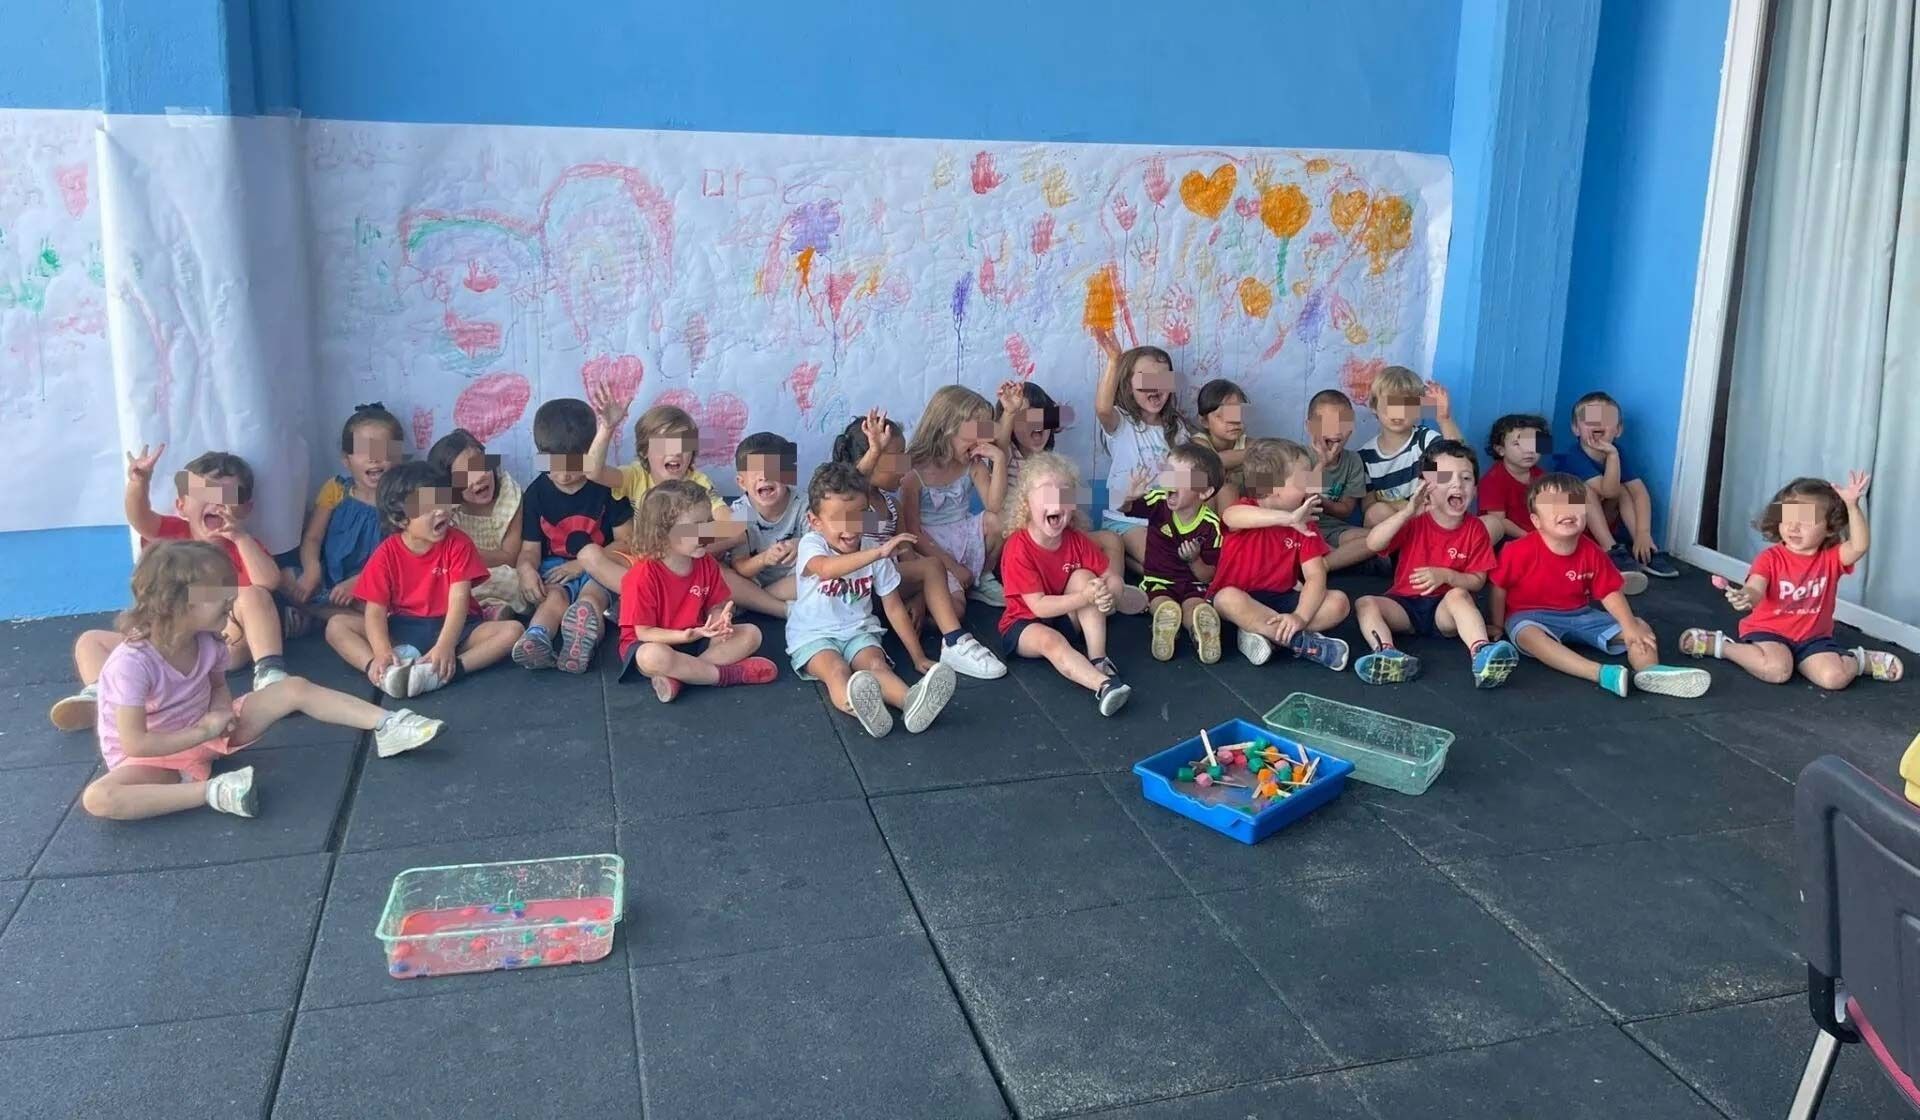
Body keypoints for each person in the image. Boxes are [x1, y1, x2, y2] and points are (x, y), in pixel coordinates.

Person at [80, 541, 442, 821]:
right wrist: (203, 731)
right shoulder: (132, 663)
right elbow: (136, 743)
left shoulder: (208, 640)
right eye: (218, 591)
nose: (231, 597)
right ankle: (212, 791)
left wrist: (222, 712)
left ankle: (388, 724)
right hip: (154, 759)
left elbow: (217, 686)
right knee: (98, 798)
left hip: (207, 733)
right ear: (175, 603)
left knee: (294, 688)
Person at [51, 448, 289, 732]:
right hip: (165, 645)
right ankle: (101, 692)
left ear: (246, 509)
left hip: (220, 645)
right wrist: (139, 482)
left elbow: (268, 582)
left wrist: (239, 537)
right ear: (181, 506)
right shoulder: (174, 536)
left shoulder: (242, 546)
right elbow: (140, 518)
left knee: (252, 594)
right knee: (90, 641)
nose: (217, 503)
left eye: (227, 496)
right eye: (205, 494)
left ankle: (269, 672)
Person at [1489, 473, 1709, 698]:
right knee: (1528, 636)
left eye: (1573, 503)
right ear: (1536, 521)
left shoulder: (1592, 551)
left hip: (1580, 614)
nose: (1566, 510)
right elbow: (1499, 588)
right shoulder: (1516, 551)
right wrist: (1497, 625)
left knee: (1639, 627)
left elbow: (1610, 592)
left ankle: (1650, 672)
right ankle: (1601, 673)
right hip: (1530, 616)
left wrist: (1629, 625)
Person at [582, 387, 791, 620]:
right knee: (589, 556)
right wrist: (607, 428)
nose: (675, 453)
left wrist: (682, 542)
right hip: (648, 566)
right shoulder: (635, 475)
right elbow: (592, 472)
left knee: (721, 573)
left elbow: (734, 529)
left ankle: (783, 611)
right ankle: (652, 598)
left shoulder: (698, 482)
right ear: (645, 451)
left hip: (689, 566)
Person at [1680, 473, 1903, 688]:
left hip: (1814, 638)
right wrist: (1746, 596)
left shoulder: (1832, 558)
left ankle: (1859, 661)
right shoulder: (1769, 558)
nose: (1794, 527)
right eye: (1787, 517)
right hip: (1768, 632)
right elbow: (1755, 588)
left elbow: (1859, 546)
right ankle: (1722, 646)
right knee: (1777, 670)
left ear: (1830, 528)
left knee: (1834, 678)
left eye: (1805, 520)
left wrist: (1852, 506)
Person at [788, 462, 960, 737]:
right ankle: (859, 706)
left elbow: (893, 607)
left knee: (876, 666)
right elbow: (826, 569)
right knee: (836, 670)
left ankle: (912, 702)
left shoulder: (874, 550)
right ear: (815, 521)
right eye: (838, 519)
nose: (850, 527)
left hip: (858, 631)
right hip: (813, 635)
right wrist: (878, 554)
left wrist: (917, 656)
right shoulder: (813, 544)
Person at [325, 461, 523, 698]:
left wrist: (445, 646)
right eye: (428, 507)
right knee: (336, 626)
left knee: (513, 631)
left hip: (456, 628)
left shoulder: (459, 544)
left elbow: (458, 600)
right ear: (400, 520)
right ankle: (383, 673)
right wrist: (382, 651)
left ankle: (444, 673)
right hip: (403, 628)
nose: (440, 511)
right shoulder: (385, 554)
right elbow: (375, 612)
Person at [834, 409, 1006, 679]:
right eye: (896, 458)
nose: (905, 465)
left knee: (952, 603)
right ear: (870, 459)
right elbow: (850, 485)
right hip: (859, 587)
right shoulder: (854, 503)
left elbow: (907, 553)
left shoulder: (892, 506)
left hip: (888, 586)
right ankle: (954, 642)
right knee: (932, 567)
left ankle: (909, 621)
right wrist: (875, 450)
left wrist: (918, 597)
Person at [1351, 440, 1517, 687]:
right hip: (1404, 606)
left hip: (1444, 611)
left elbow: (1477, 581)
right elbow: (1374, 543)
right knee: (1365, 603)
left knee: (1459, 595)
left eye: (1466, 478)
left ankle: (1481, 653)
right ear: (1425, 485)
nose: (1457, 484)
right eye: (1445, 477)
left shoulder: (1476, 530)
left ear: (1475, 489)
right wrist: (1407, 512)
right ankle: (1387, 654)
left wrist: (1446, 576)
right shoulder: (1414, 520)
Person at [615, 480, 779, 703]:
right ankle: (725, 675)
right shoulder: (642, 576)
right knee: (652, 657)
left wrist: (719, 621)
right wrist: (682, 636)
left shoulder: (706, 563)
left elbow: (715, 605)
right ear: (663, 534)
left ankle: (681, 677)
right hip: (657, 642)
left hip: (698, 637)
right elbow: (644, 633)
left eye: (709, 523)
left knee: (751, 634)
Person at [998, 451, 1134, 716]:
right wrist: (1087, 597)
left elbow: (1111, 576)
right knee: (1052, 640)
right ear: (1026, 503)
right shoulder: (1018, 547)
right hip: (1024, 625)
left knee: (1086, 578)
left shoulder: (1076, 540)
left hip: (1064, 615)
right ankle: (1104, 685)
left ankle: (1098, 658)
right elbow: (1039, 607)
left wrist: (1109, 592)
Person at [513, 399, 634, 673]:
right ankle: (536, 638)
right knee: (553, 598)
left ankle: (582, 641)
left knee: (591, 600)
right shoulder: (535, 493)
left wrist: (582, 564)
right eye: (554, 464)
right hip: (556, 570)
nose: (565, 475)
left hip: (599, 565)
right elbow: (530, 549)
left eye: (574, 464)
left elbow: (627, 541)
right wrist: (525, 570)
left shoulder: (607, 486)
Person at [1211, 439, 1351, 669]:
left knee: (1339, 603)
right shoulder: (1246, 510)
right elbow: (1230, 517)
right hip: (1240, 598)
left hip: (1280, 600)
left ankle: (1263, 632)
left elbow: (1315, 575)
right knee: (1225, 599)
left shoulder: (1306, 525)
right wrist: (1288, 519)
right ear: (1272, 487)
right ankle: (1299, 642)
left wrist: (1300, 617)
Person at [283, 403, 406, 629]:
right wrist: (312, 570)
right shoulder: (336, 489)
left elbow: (405, 555)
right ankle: (340, 619)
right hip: (331, 579)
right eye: (363, 451)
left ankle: (324, 617)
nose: (374, 459)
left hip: (375, 584)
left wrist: (360, 582)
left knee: (384, 607)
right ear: (346, 459)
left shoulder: (404, 499)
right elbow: (313, 538)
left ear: (399, 456)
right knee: (285, 577)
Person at [901, 385, 1009, 608]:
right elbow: (913, 532)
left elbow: (995, 507)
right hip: (930, 547)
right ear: (946, 428)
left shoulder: (973, 465)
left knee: (999, 521)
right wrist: (952, 567)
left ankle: (982, 577)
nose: (981, 441)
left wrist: (999, 460)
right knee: (955, 607)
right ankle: (937, 594)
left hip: (963, 534)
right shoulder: (914, 472)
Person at [1551, 391, 1680, 578]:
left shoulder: (1618, 451)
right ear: (1576, 429)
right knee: (1584, 490)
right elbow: (1608, 491)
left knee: (1625, 490)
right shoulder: (1574, 457)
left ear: (1618, 430)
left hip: (1600, 521)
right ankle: (1610, 549)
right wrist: (1612, 456)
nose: (1598, 423)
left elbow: (1639, 493)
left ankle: (1644, 550)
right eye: (1590, 419)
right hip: (1569, 523)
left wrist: (1643, 533)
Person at [1121, 442, 1225, 663]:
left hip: (1194, 584)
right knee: (1161, 603)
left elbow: (1209, 575)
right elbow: (1126, 509)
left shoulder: (1210, 526)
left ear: (1204, 491)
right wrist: (1129, 497)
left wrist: (1194, 560)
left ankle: (1200, 631)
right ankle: (1165, 626)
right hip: (1159, 580)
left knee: (1194, 607)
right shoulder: (1159, 501)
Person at [1095, 345, 1191, 570]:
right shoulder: (1122, 422)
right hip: (1126, 519)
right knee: (1164, 560)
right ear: (1128, 386)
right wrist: (1114, 360)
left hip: (1166, 517)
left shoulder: (1176, 428)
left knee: (1182, 562)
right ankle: (1134, 563)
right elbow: (1103, 409)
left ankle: (1133, 564)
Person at [429, 428, 533, 617]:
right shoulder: (447, 508)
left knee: (512, 580)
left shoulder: (509, 496)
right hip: (459, 574)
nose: (478, 478)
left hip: (497, 571)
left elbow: (510, 557)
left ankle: (489, 610)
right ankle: (482, 611)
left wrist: (464, 554)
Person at [1358, 366, 1463, 527]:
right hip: (1394, 528)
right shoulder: (1365, 456)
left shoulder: (1425, 442)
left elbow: (1458, 460)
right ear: (1374, 407)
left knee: (1490, 523)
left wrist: (1444, 419)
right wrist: (1406, 508)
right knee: (1376, 512)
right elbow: (1368, 508)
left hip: (1429, 522)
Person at [725, 432, 804, 611]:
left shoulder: (803, 505)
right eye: (755, 471)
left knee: (824, 572)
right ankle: (767, 604)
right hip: (752, 582)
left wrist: (801, 544)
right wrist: (765, 559)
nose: (764, 476)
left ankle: (756, 602)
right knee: (724, 577)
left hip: (794, 581)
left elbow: (823, 548)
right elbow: (741, 567)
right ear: (742, 482)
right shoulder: (739, 513)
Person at [1305, 389, 1375, 572]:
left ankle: (1324, 564)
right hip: (1301, 529)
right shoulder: (1298, 457)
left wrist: (1321, 501)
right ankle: (1329, 559)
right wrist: (1322, 464)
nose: (1335, 431)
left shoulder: (1353, 461)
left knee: (1376, 538)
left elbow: (1345, 510)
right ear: (1310, 427)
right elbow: (1301, 504)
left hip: (1334, 530)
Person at [1191, 378, 1249, 508]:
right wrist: (1250, 455)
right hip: (1206, 509)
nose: (1234, 421)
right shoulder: (1199, 442)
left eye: (1238, 413)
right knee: (1225, 490)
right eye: (1223, 415)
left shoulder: (1247, 443)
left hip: (1239, 508)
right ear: (1204, 421)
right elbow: (1213, 462)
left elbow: (1267, 456)